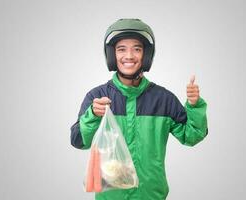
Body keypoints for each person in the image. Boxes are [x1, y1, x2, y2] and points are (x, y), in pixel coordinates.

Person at [71, 18, 208, 200]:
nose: (129, 56)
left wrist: (194, 105)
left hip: (151, 196)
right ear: (112, 55)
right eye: (121, 49)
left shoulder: (163, 99)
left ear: (146, 55)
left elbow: (192, 136)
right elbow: (79, 140)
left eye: (137, 49)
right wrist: (93, 116)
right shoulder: (97, 96)